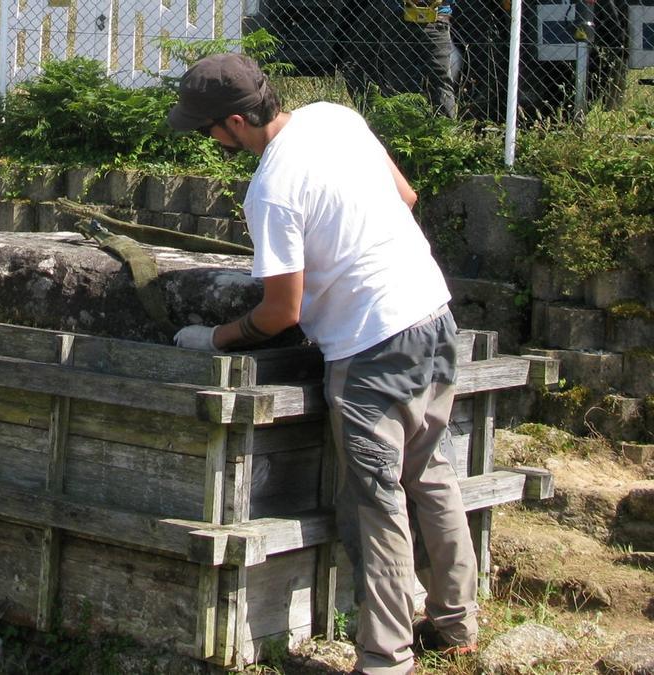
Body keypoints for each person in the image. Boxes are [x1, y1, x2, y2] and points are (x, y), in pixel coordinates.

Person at [167, 53, 477, 675]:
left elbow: (282, 310)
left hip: (371, 349)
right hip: (433, 315)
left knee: (375, 503)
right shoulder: (334, 117)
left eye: (208, 131)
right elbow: (406, 196)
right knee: (432, 472)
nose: (209, 141)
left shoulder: (272, 190)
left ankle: (386, 658)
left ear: (234, 122)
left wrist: (216, 338)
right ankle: (456, 622)